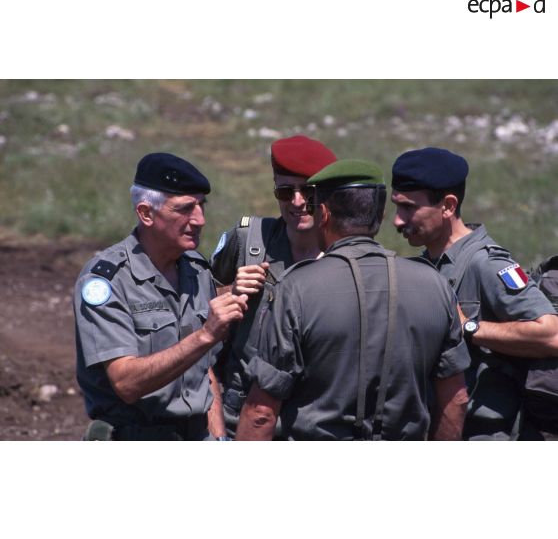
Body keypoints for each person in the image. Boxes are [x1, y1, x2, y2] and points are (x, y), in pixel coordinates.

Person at [236, 159, 470, 441]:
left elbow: (261, 412)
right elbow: (455, 400)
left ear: (322, 213)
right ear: (381, 215)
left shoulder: (296, 288)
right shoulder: (435, 285)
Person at [74, 152, 248, 440]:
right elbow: (126, 383)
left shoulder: (196, 268)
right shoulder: (106, 280)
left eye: (202, 206)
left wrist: (218, 439)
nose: (200, 219)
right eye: (185, 209)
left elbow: (204, 370)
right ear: (146, 213)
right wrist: (206, 334)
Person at [390, 146, 558, 440]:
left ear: (448, 205)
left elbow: (551, 334)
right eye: (396, 207)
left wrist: (468, 326)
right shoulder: (428, 265)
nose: (397, 221)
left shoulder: (487, 264)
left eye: (409, 208)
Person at [211, 134, 337, 437]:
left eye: (309, 190)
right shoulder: (248, 239)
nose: (297, 202)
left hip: (316, 421)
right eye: (285, 191)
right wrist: (232, 291)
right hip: (240, 415)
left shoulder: (345, 251)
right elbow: (195, 304)